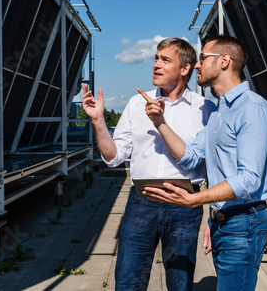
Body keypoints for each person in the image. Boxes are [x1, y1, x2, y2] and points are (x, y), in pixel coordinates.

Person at [139, 35, 267, 291]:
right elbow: (191, 156)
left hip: (244, 224)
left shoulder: (252, 109)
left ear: (224, 61)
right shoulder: (220, 111)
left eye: (203, 58)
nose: (197, 65)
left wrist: (195, 200)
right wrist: (159, 123)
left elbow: (249, 180)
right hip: (225, 221)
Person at [82, 37, 216, 291]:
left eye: (165, 60)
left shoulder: (205, 109)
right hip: (141, 205)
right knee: (127, 283)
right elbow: (113, 158)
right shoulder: (135, 104)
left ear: (185, 68)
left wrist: (214, 214)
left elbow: (214, 167)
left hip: (184, 208)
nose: (156, 64)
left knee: (180, 285)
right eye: (156, 58)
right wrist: (98, 121)